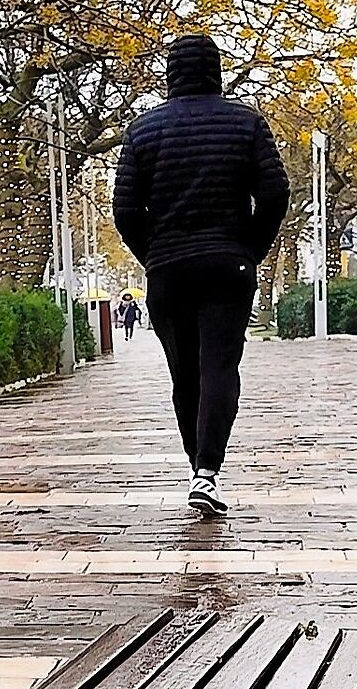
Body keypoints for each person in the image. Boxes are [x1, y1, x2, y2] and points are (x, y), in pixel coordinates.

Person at [113, 32, 288, 518]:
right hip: (227, 266)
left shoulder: (142, 132)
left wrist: (155, 254)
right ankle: (206, 471)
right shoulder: (246, 123)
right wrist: (248, 248)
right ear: (217, 69)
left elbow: (125, 210)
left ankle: (197, 466)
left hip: (168, 270)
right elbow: (275, 193)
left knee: (184, 373)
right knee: (219, 367)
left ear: (170, 73)